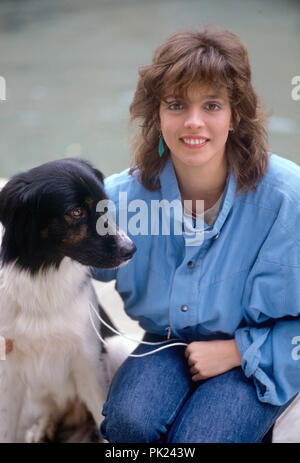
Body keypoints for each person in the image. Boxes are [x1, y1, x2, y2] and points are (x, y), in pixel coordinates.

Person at [100, 27, 298, 442]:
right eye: (176, 105)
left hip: (264, 349)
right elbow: (62, 266)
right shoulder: (119, 198)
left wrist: (240, 351)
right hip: (167, 343)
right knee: (127, 424)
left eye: (212, 105)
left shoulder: (288, 198)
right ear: (157, 115)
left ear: (235, 114)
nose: (193, 123)